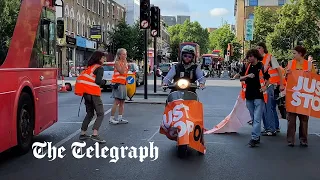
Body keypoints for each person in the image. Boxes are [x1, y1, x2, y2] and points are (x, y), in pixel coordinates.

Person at [286, 46, 316, 147]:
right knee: (291, 119)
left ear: (300, 53)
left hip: (304, 96)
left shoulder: (309, 65)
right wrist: (287, 73)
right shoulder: (290, 63)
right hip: (293, 95)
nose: (293, 55)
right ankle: (290, 140)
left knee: (304, 119)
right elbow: (285, 76)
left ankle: (303, 140)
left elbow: (314, 79)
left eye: (294, 53)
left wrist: (310, 75)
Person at [74, 50, 107, 143]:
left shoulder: (90, 68)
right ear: (99, 58)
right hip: (93, 93)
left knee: (90, 113)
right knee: (100, 113)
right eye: (103, 57)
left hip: (86, 94)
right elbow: (98, 81)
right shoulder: (99, 68)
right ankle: (95, 134)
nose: (104, 59)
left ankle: (83, 133)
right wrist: (105, 82)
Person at [240, 49, 270, 147]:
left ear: (256, 57)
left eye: (251, 56)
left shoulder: (261, 66)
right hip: (248, 95)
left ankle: (254, 137)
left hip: (259, 95)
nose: (249, 58)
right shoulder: (247, 66)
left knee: (257, 118)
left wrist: (265, 87)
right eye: (248, 56)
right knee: (253, 118)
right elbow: (240, 78)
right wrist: (248, 75)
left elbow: (268, 78)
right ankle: (256, 135)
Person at [257, 42, 284, 135]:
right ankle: (274, 126)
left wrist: (281, 84)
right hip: (265, 85)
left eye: (259, 48)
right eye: (257, 48)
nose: (258, 50)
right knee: (270, 106)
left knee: (268, 107)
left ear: (264, 48)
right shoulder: (260, 59)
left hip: (270, 84)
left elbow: (279, 70)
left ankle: (270, 128)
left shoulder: (270, 57)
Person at [109, 48, 129, 124]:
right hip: (117, 83)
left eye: (125, 54)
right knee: (117, 101)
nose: (125, 56)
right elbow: (121, 71)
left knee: (122, 101)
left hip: (123, 83)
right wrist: (124, 63)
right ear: (119, 55)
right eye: (123, 54)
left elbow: (125, 73)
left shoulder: (125, 63)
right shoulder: (117, 62)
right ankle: (111, 118)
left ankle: (120, 117)